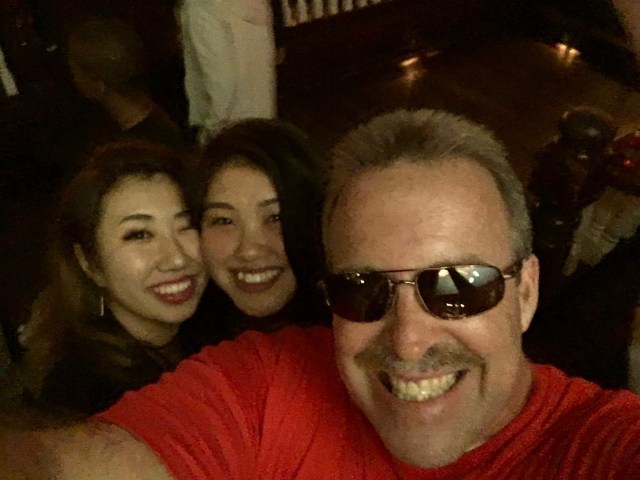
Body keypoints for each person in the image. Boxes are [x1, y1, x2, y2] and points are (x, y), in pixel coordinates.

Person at [2, 108, 640, 479]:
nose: (407, 338)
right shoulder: (264, 374)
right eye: (362, 289)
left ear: (525, 291)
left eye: (458, 285)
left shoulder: (597, 443)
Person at [12, 139, 207, 419]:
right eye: (139, 234)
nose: (176, 258)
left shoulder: (214, 331)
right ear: (89, 263)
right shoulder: (86, 398)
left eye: (186, 226)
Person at [190, 119, 330, 337]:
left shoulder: (360, 340)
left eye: (276, 217)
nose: (249, 251)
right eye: (224, 221)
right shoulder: (185, 336)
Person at [67, 16, 185, 151]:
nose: (74, 80)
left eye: (75, 72)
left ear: (96, 80)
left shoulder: (134, 146)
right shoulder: (159, 114)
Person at [178, 0, 277, 143]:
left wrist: (209, 132)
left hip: (228, 131)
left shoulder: (202, 9)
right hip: (261, 119)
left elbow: (221, 82)